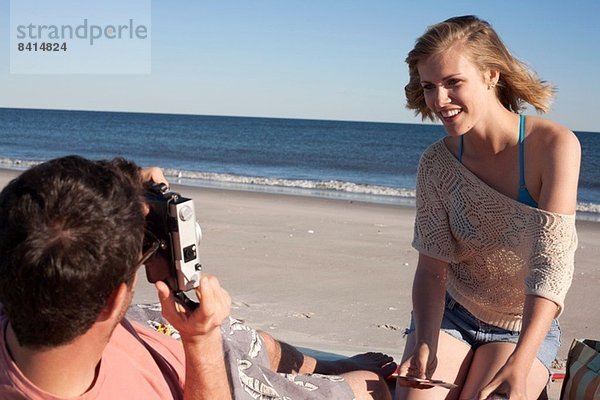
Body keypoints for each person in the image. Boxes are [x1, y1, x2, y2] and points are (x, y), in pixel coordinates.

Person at [0, 156, 396, 399]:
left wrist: (123, 188)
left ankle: (317, 364)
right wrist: (201, 341)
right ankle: (333, 373)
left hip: (157, 333)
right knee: (368, 384)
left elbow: (40, 223)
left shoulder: (23, 283)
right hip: (211, 380)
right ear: (110, 303)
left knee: (242, 336)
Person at [395, 15, 580, 400]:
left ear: (491, 75)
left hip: (522, 326)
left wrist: (523, 361)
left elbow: (553, 266)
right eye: (429, 86)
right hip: (450, 315)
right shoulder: (436, 163)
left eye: (453, 83)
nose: (439, 100)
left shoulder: (554, 147)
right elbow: (431, 269)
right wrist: (425, 339)